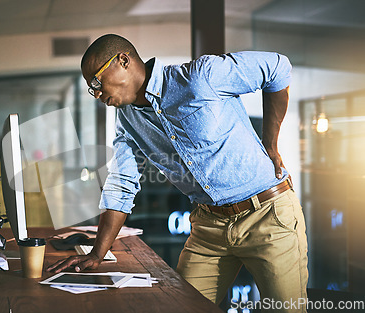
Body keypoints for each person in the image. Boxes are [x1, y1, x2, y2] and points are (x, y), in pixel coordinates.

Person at [47, 34, 308, 312]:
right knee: (176, 306)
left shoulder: (199, 77)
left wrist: (270, 144)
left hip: (267, 216)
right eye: (91, 88)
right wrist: (97, 253)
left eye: (97, 82)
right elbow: (122, 184)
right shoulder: (128, 120)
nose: (96, 93)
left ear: (123, 61)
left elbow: (278, 68)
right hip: (209, 227)